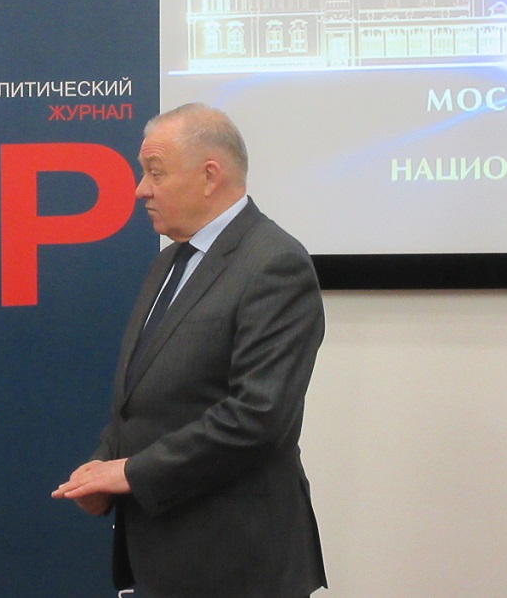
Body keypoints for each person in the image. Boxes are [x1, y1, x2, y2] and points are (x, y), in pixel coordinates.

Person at [52, 103, 327, 597]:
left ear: (209, 176)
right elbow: (144, 397)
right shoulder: (168, 263)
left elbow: (259, 416)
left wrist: (131, 473)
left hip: (238, 563)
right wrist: (103, 467)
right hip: (163, 555)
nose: (140, 189)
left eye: (155, 172)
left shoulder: (275, 263)